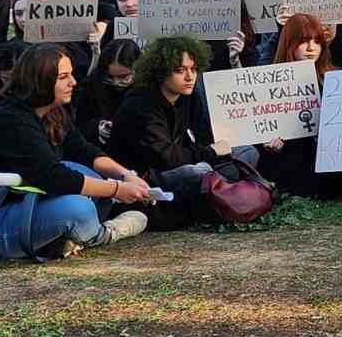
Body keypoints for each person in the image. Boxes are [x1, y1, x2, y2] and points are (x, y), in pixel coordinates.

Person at [0, 44, 152, 260]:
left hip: (19, 203)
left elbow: (83, 150)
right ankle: (101, 234)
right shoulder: (10, 120)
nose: (73, 82)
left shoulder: (51, 109)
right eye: (63, 77)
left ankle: (65, 237)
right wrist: (117, 189)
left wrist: (125, 175)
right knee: (78, 208)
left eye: (71, 74)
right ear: (40, 80)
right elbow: (53, 177)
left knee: (89, 173)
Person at [107, 36, 250, 223]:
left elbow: (202, 137)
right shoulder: (140, 104)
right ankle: (223, 193)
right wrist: (212, 152)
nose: (190, 77)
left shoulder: (187, 96)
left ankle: (221, 191)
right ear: (160, 73)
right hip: (146, 178)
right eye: (180, 71)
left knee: (247, 152)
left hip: (183, 163)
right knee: (199, 171)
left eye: (193, 69)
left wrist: (218, 149)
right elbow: (166, 157)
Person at [259, 13, 342, 198]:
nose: (312, 48)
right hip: (288, 161)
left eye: (317, 41)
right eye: (304, 41)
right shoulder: (269, 81)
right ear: (290, 43)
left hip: (326, 163)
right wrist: (270, 140)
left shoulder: (333, 79)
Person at [72, 39, 140, 146]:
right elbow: (79, 126)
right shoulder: (91, 86)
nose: (116, 82)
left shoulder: (147, 91)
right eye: (110, 76)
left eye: (123, 77)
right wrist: (97, 127)